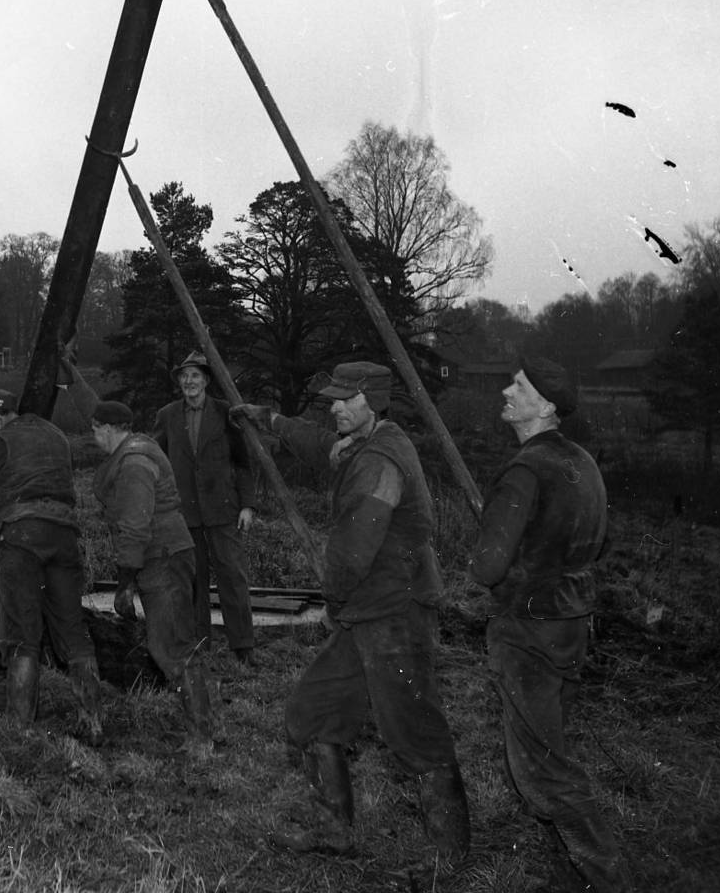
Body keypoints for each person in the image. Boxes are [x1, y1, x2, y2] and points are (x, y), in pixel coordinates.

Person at [232, 362, 469, 865]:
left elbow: (350, 552)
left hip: (394, 613)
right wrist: (270, 418)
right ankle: (334, 832)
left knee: (413, 730)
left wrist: (333, 604)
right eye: (332, 400)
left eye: (346, 400)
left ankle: (449, 859)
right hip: (367, 611)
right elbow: (322, 445)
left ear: (374, 402)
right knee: (311, 712)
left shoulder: (380, 461)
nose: (335, 407)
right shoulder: (365, 441)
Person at [471, 357, 633, 892]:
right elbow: (600, 541)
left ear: (543, 406)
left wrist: (496, 546)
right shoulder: (582, 461)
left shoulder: (524, 469)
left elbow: (487, 565)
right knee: (548, 746)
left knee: (543, 769)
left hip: (528, 629)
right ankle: (573, 874)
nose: (505, 389)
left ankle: (611, 880)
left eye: (517, 385)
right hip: (574, 622)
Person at [60, 359, 225, 757]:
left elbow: (135, 531)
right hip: (167, 553)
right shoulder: (133, 443)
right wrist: (71, 369)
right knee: (176, 644)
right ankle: (205, 727)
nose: (93, 435)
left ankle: (201, 738)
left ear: (111, 430)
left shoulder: (134, 465)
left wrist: (123, 586)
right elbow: (93, 406)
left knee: (170, 647)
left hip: (162, 558)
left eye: (96, 430)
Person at [0, 389, 103, 742]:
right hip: (64, 536)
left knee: (21, 634)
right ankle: (94, 722)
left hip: (20, 538)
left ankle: (20, 729)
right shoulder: (56, 435)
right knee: (73, 632)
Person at [153, 351, 259, 666]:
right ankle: (200, 645)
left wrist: (248, 505)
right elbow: (155, 460)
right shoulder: (167, 415)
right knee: (192, 580)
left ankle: (243, 647)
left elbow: (244, 463)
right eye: (184, 376)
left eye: (195, 376)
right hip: (184, 515)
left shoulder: (228, 414)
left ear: (207, 380)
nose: (189, 381)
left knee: (233, 577)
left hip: (224, 510)